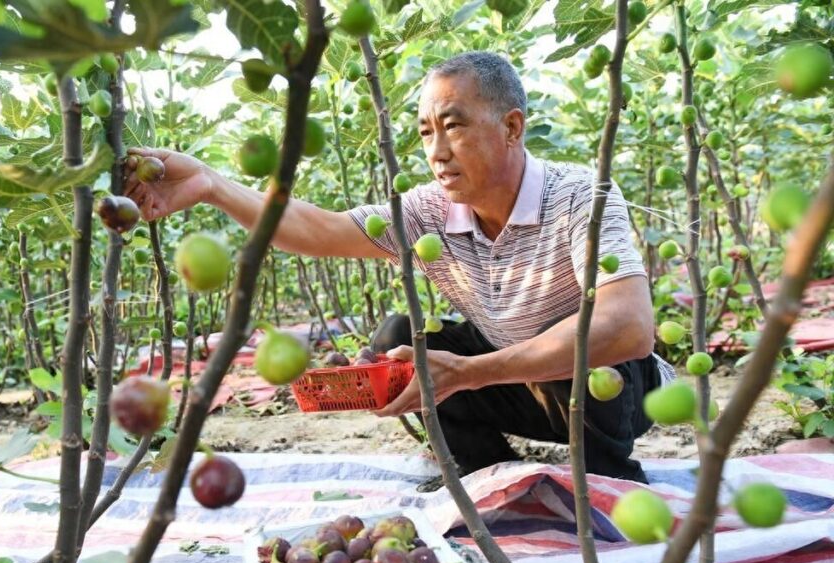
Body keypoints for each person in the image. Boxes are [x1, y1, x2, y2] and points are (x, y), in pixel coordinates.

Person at [124, 51, 675, 485]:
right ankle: (491, 475)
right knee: (401, 339)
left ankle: (609, 477)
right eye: (424, 132)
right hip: (523, 383)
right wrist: (211, 186)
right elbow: (321, 230)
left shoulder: (580, 195)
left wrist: (471, 373)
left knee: (590, 352)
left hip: (614, 397)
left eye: (453, 125)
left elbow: (629, 329)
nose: (436, 150)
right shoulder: (431, 210)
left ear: (511, 127)